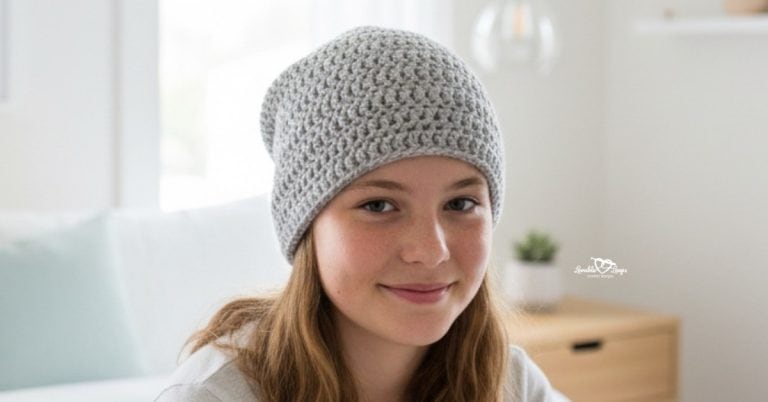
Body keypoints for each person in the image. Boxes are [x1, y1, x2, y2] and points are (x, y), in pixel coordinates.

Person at [155, 26, 569, 402]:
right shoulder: (215, 396)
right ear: (307, 227)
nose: (431, 251)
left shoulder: (512, 384)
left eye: (460, 204)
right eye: (379, 206)